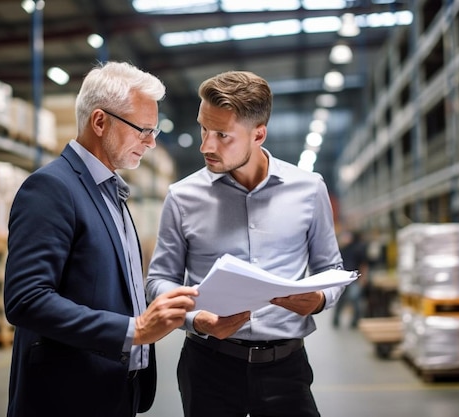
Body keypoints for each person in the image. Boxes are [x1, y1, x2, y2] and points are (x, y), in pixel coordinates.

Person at [3, 61, 198, 417]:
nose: (151, 142)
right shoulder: (52, 188)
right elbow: (26, 299)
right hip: (67, 397)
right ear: (99, 121)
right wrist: (133, 329)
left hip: (115, 391)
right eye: (143, 129)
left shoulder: (111, 192)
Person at [146, 70, 345, 417]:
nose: (206, 145)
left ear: (259, 134)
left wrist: (317, 300)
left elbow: (333, 269)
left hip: (286, 368)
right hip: (208, 366)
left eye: (222, 135)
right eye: (203, 128)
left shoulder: (309, 188)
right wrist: (198, 319)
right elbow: (158, 281)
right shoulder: (182, 197)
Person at [332, 230, 369, 328]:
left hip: (354, 278)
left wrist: (363, 278)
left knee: (354, 298)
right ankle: (336, 320)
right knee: (341, 300)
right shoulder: (342, 248)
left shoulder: (358, 248)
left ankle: (355, 321)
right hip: (342, 278)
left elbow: (363, 264)